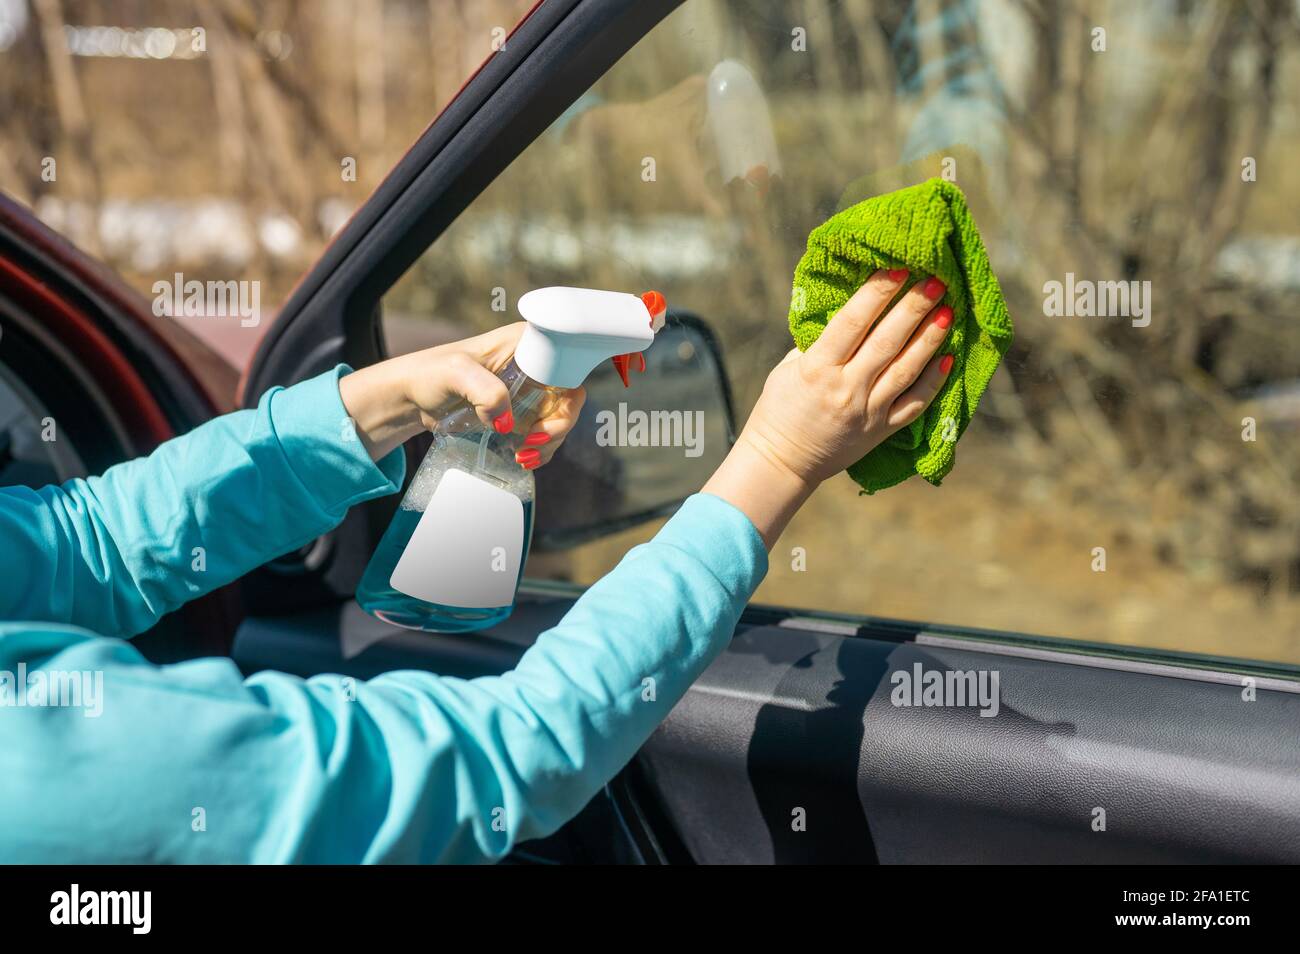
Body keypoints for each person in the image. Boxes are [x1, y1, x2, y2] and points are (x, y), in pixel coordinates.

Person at [0, 268, 951, 862]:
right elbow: (503, 753)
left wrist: (375, 405)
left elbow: (86, 542)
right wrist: (775, 465)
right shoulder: (47, 775)